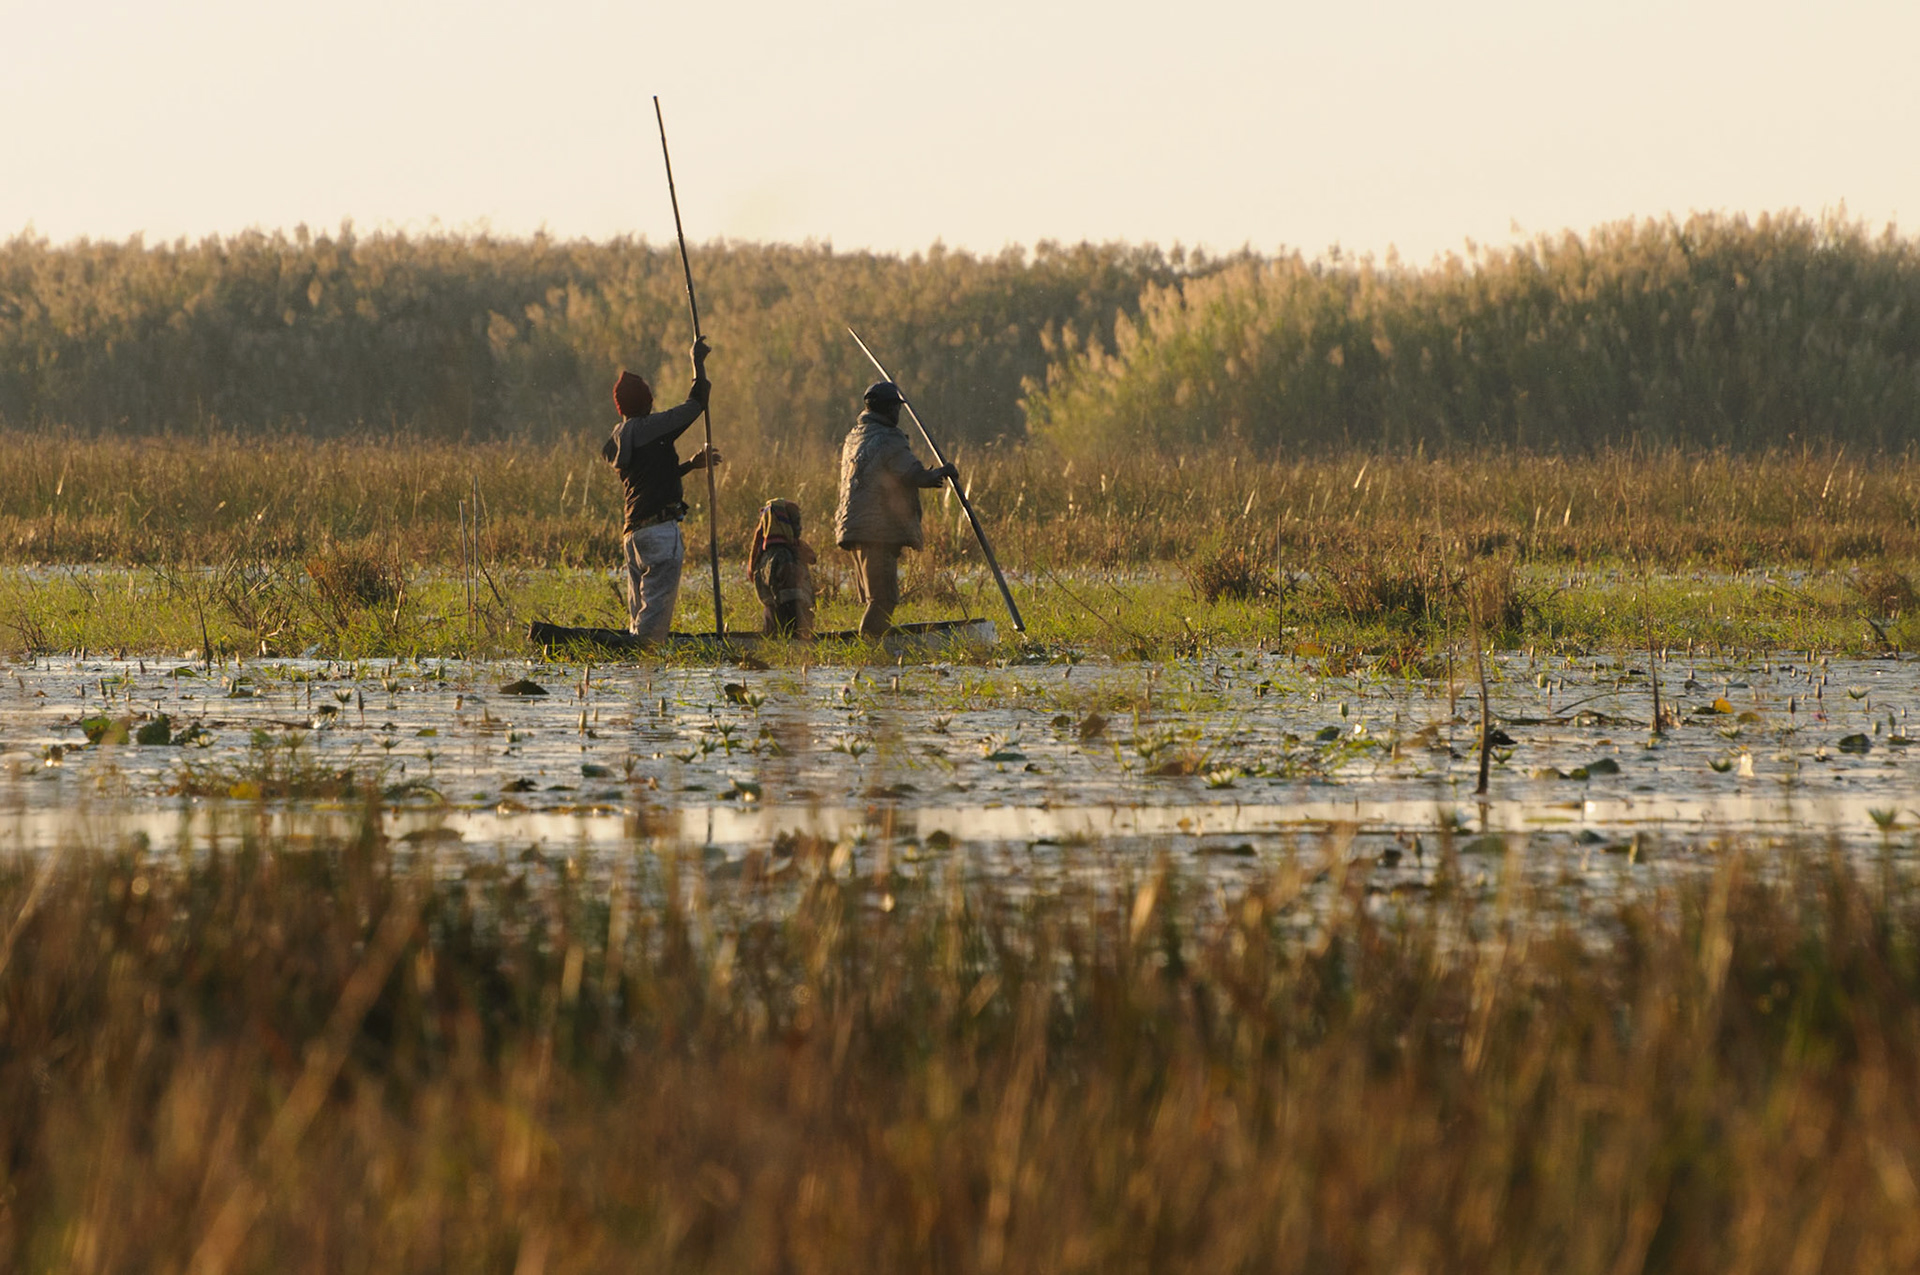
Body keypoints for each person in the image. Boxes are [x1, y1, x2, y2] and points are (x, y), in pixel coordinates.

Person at [601, 338, 720, 641]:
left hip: (634, 536)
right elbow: (696, 404)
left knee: (639, 613)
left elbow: (651, 478)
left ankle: (637, 672)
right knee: (652, 627)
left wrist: (691, 465)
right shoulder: (648, 428)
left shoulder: (620, 438)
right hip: (659, 534)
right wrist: (697, 360)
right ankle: (644, 666)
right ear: (646, 403)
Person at [833, 380, 956, 637]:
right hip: (877, 530)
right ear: (888, 409)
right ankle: (870, 653)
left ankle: (871, 647)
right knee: (884, 600)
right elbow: (913, 474)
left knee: (875, 599)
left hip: (854, 527)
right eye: (896, 409)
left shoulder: (854, 436)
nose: (897, 414)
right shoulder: (889, 438)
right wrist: (944, 472)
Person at [748, 498, 816, 638]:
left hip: (774, 626)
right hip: (788, 629)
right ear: (782, 524)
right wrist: (800, 635)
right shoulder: (783, 556)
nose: (799, 527)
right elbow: (790, 603)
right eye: (795, 522)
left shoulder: (766, 553)